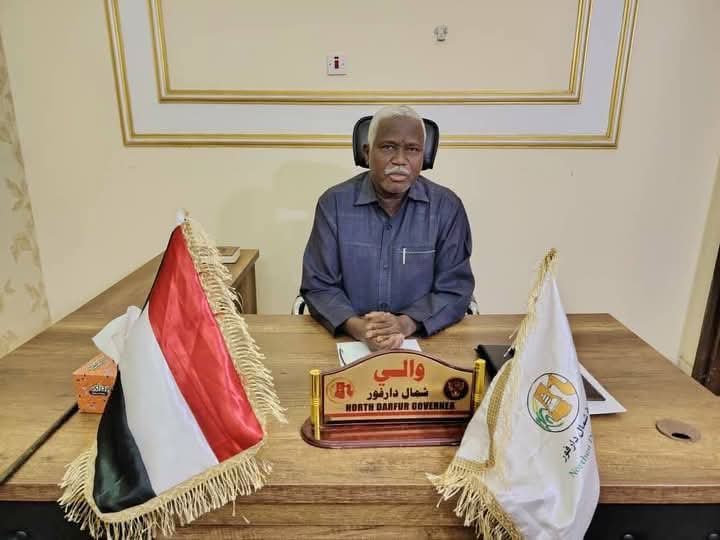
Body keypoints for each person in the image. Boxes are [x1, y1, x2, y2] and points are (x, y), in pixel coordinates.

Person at [300, 105, 474, 351]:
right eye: (388, 147)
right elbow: (319, 285)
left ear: (423, 155)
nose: (400, 160)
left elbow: (455, 288)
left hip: (425, 338)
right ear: (367, 152)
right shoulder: (334, 204)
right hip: (349, 340)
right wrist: (359, 328)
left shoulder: (446, 207)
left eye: (412, 149)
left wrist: (405, 324)